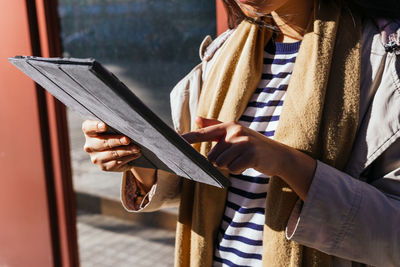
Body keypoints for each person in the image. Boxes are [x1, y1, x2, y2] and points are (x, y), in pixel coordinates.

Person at [82, 0, 400, 266]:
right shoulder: (223, 55)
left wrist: (288, 163)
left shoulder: (385, 62)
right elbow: (203, 185)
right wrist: (135, 157)